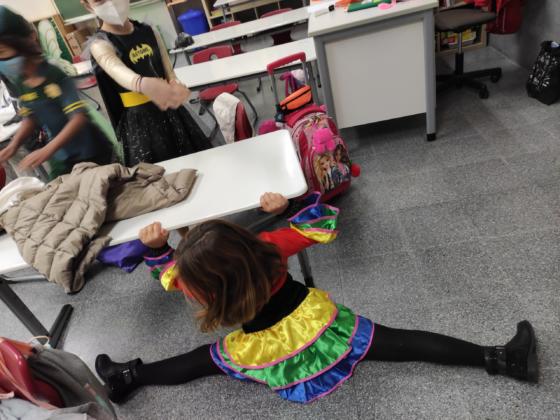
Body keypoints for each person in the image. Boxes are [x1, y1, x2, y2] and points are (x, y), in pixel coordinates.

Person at [94, 191, 538, 404]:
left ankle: (129, 377)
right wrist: (287, 206)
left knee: (198, 361)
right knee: (402, 342)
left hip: (265, 348)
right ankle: (499, 358)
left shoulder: (198, 283)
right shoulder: (268, 246)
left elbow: (168, 276)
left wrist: (157, 250)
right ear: (240, 236)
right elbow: (318, 223)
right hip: (320, 327)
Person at [81, 0, 212, 166]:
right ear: (89, 6)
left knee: (195, 162)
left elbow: (168, 71)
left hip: (172, 112)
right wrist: (142, 84)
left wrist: (174, 83)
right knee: (161, 170)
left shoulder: (149, 31)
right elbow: (116, 69)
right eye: (99, 0)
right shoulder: (100, 45)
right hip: (140, 122)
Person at [0, 6, 114, 180]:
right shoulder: (21, 82)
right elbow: (30, 116)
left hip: (91, 151)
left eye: (2, 52)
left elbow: (78, 118)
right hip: (61, 156)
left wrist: (47, 150)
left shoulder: (53, 73)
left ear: (22, 44)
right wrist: (13, 146)